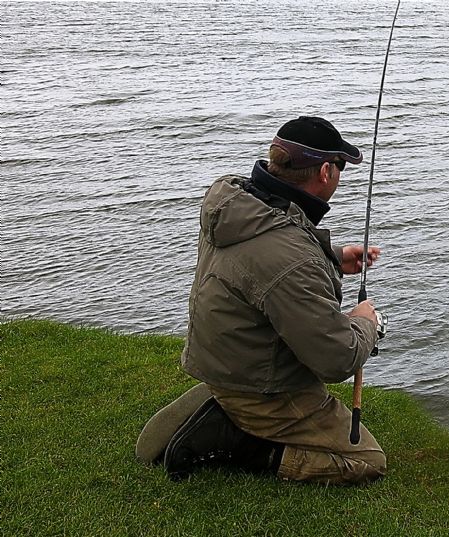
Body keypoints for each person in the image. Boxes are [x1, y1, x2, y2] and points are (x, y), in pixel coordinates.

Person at [135, 116, 387, 485]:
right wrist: (365, 322)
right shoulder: (291, 258)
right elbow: (336, 359)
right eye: (339, 168)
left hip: (226, 362)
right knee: (366, 461)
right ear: (325, 173)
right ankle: (238, 438)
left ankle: (223, 402)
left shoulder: (235, 203)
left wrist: (331, 255)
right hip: (262, 387)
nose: (338, 176)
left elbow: (260, 262)